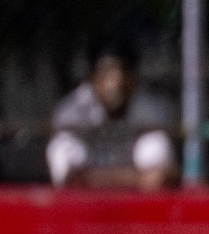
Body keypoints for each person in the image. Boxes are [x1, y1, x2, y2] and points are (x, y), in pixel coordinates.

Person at [46, 38, 176, 190]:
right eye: (106, 71)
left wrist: (90, 178)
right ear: (92, 78)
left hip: (137, 202)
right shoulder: (73, 109)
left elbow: (158, 178)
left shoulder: (152, 110)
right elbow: (66, 177)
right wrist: (136, 178)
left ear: (134, 78)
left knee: (155, 143)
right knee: (61, 146)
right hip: (85, 204)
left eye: (123, 71)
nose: (116, 81)